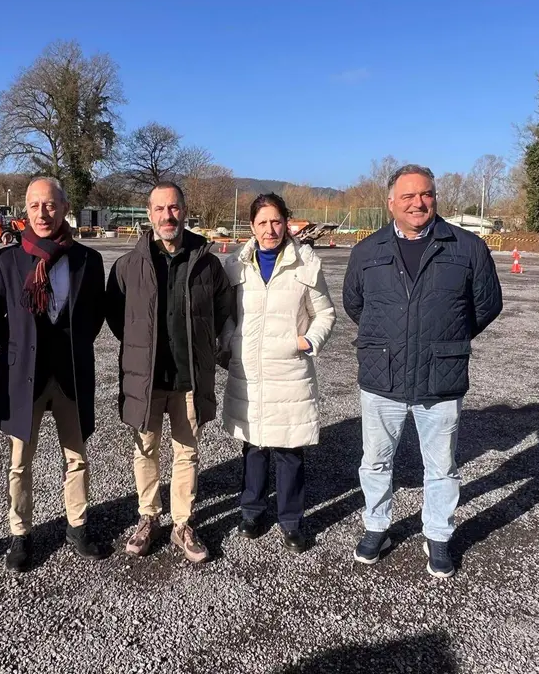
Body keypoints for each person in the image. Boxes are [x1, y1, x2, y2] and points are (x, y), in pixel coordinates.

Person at [342, 164, 503, 578]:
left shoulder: (467, 247)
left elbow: (487, 305)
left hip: (440, 377)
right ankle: (377, 526)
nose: (418, 202)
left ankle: (438, 534)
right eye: (408, 196)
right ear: (390, 202)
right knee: (375, 462)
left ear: (435, 198)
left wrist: (447, 336)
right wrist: (389, 338)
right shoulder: (367, 251)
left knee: (442, 465)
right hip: (383, 376)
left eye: (426, 194)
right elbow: (354, 304)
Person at [0, 176, 107, 572]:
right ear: (26, 210)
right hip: (25, 376)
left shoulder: (88, 261)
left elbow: (94, 315)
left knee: (77, 457)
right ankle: (20, 533)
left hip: (70, 373)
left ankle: (77, 526)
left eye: (50, 204)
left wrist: (74, 344)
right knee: (20, 461)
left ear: (65, 208)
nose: (42, 213)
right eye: (35, 205)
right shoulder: (7, 261)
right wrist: (19, 346)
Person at [106, 181, 233, 563]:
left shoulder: (207, 263)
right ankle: (148, 517)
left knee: (186, 452)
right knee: (145, 450)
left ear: (185, 211)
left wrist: (204, 346)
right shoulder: (128, 266)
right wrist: (141, 349)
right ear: (149, 214)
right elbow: (117, 317)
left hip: (188, 378)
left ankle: (182, 523)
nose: (167, 215)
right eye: (159, 209)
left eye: (174, 207)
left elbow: (223, 309)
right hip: (146, 378)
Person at [221, 193, 336, 553]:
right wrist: (231, 341)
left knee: (289, 448)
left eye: (276, 221)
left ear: (287, 222)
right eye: (262, 223)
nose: (269, 230)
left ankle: (291, 520)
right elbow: (225, 314)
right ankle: (252, 511)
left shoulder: (306, 264)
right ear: (251, 226)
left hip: (290, 371)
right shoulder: (236, 266)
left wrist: (307, 341)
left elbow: (325, 313)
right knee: (254, 445)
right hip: (250, 372)